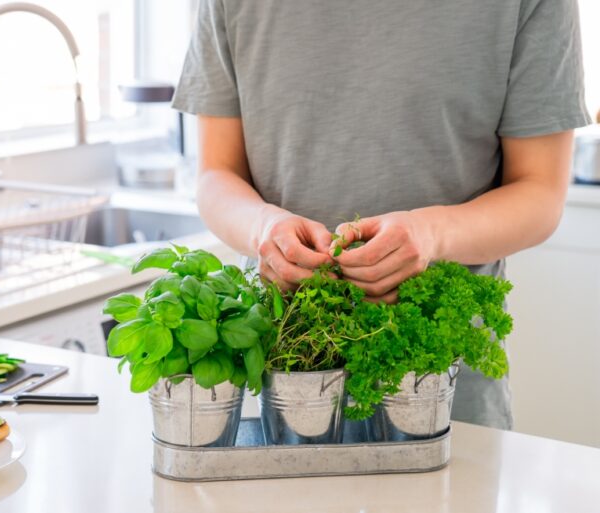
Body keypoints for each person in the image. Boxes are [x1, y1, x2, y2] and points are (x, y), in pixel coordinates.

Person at [171, 0, 591, 429]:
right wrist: (263, 228)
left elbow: (540, 190)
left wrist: (432, 235)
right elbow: (216, 173)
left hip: (439, 384)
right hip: (278, 371)